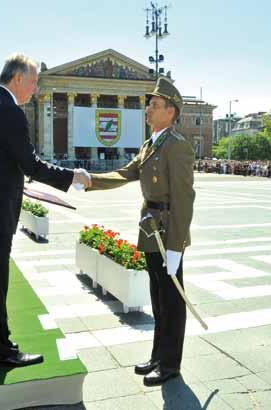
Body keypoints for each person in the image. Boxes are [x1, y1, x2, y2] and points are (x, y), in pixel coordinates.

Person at [0, 53, 88, 367]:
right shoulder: (6, 110)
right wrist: (72, 177)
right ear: (18, 78)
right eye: (35, 82)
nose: (36, 90)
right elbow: (30, 164)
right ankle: (1, 351)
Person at [84, 76, 195, 386]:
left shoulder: (177, 146)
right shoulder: (151, 144)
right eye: (149, 104)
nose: (148, 109)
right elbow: (125, 173)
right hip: (150, 231)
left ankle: (170, 364)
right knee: (158, 298)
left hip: (167, 233)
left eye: (155, 105)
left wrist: (176, 247)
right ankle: (158, 356)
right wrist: (88, 179)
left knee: (171, 302)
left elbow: (185, 199)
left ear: (171, 111)